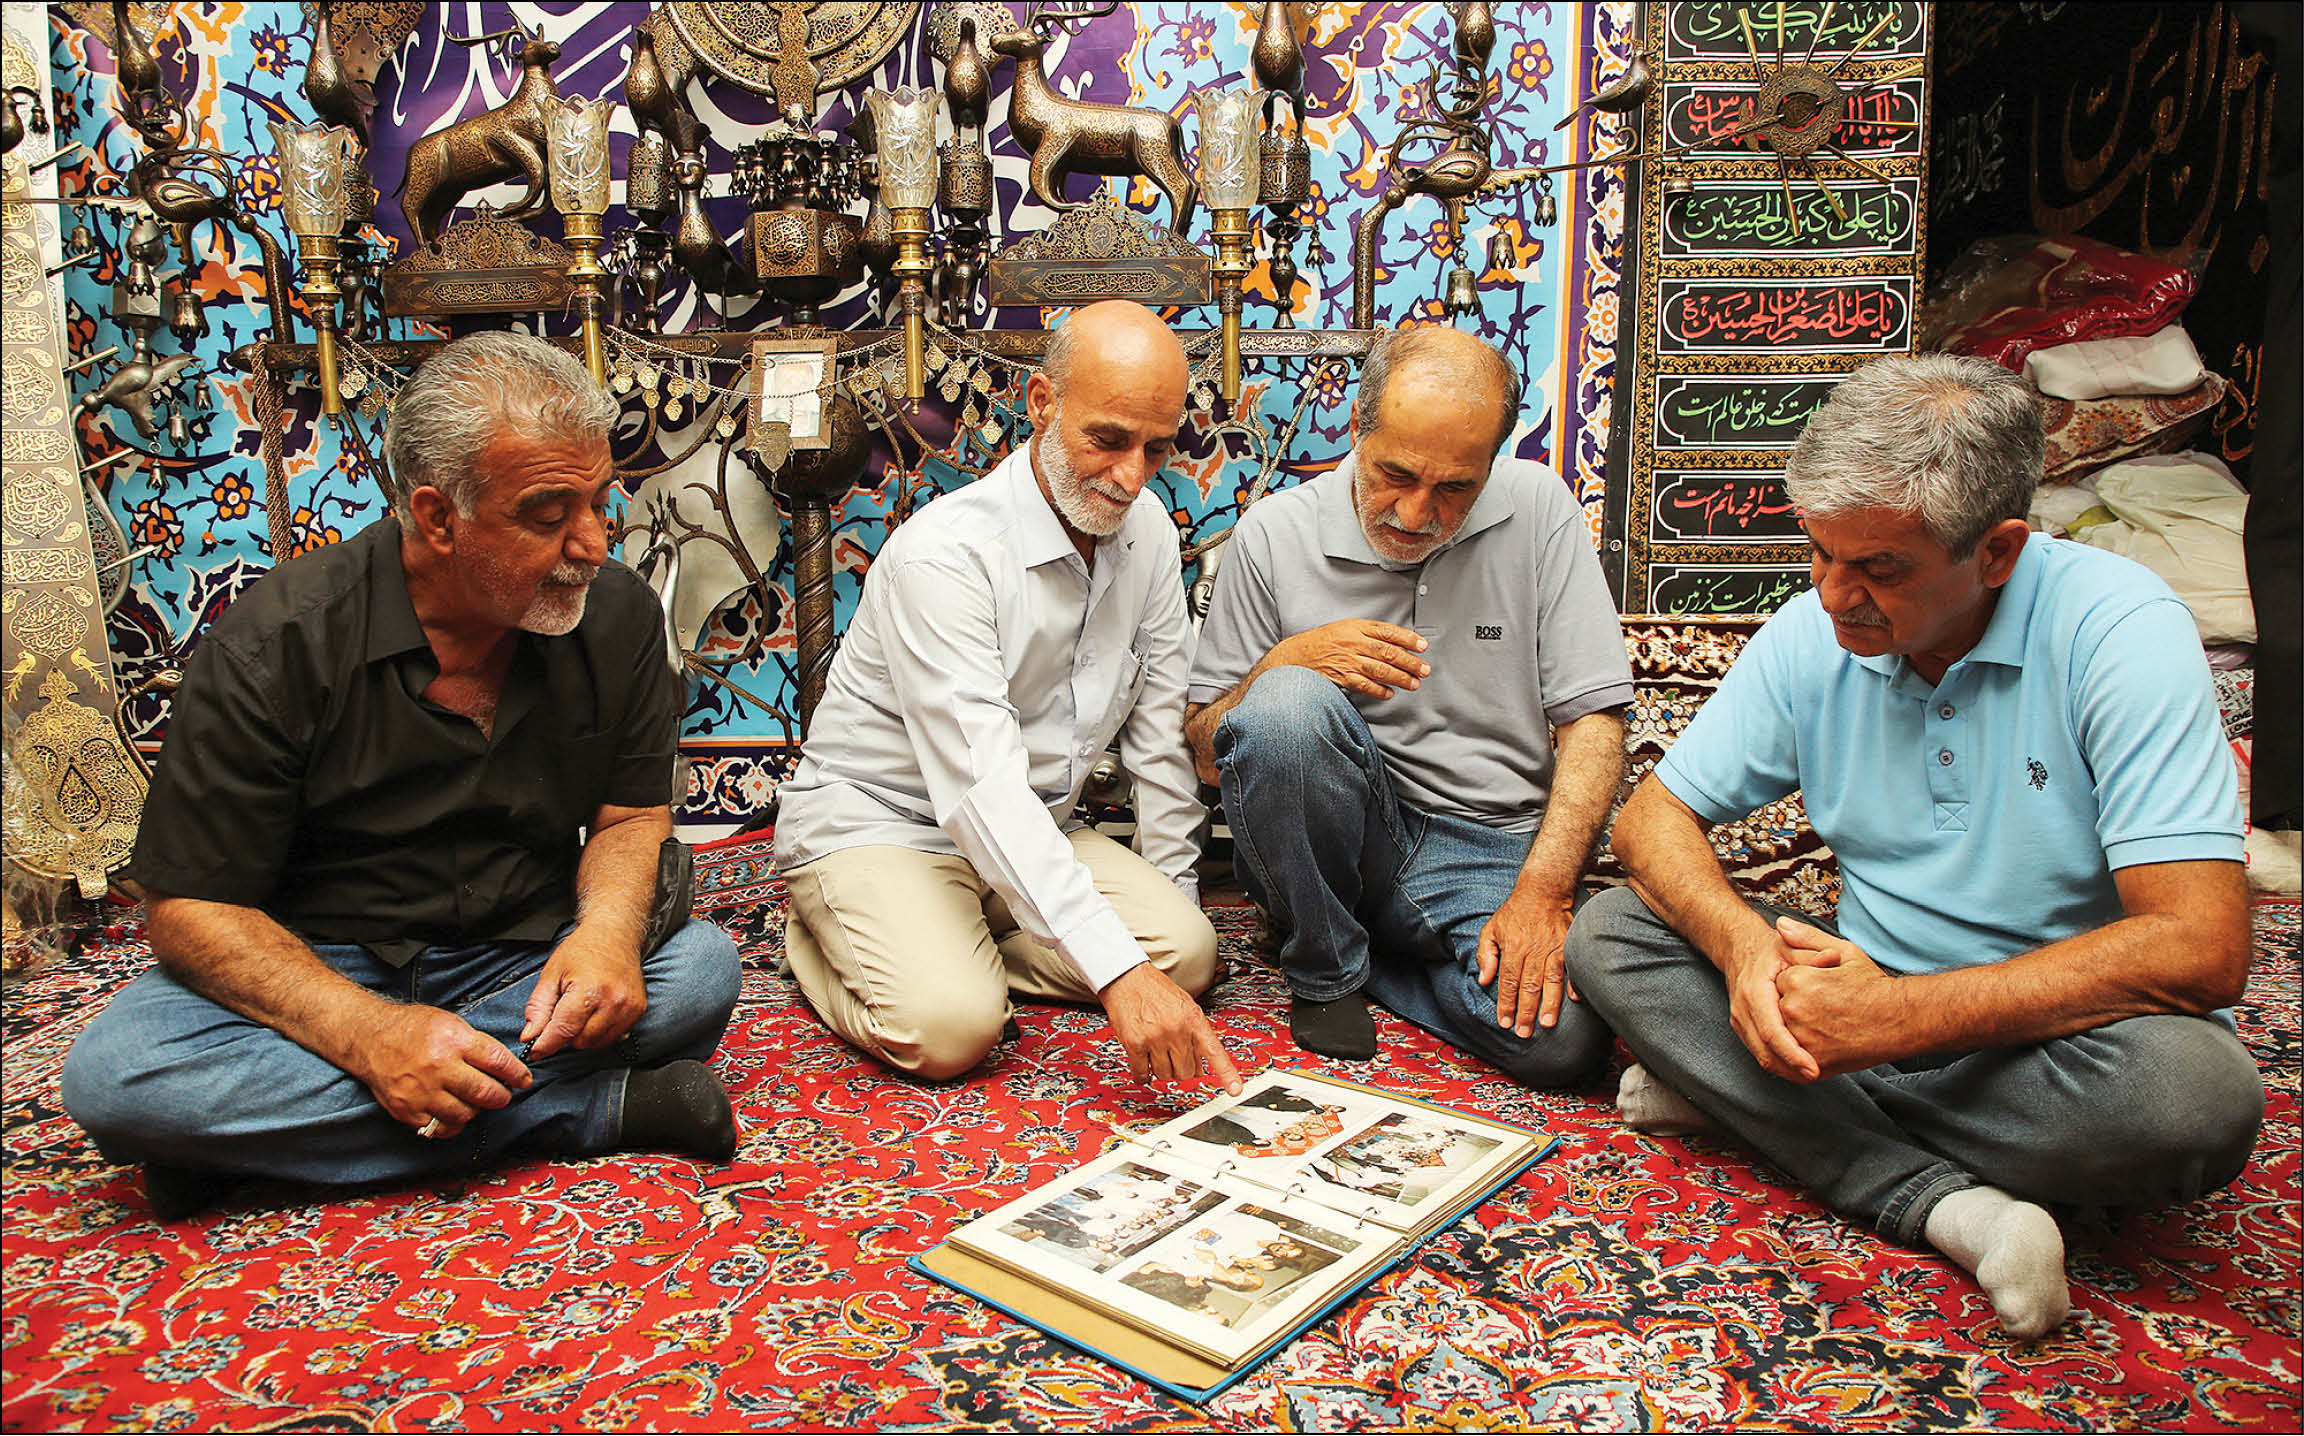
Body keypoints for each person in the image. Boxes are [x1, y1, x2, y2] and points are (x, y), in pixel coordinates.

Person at [1565, 353, 2262, 1340]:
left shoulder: (2120, 632)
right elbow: (1651, 821)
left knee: (2196, 1103)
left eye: (1880, 568)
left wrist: (1895, 1021)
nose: (1834, 594)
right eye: (1820, 553)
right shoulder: (1813, 633)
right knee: (1613, 930)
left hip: (2051, 1041)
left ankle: (1756, 1102)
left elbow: (2200, 947)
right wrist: (1746, 952)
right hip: (1857, 1000)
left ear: (1998, 551)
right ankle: (1956, 1209)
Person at [61, 333, 744, 1219]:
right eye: (548, 516)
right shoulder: (278, 644)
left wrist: (607, 937)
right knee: (117, 1076)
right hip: (320, 965)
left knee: (700, 971)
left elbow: (629, 818)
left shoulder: (615, 615)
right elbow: (189, 910)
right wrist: (368, 1035)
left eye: (599, 502)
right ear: (438, 517)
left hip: (519, 961)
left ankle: (258, 1143)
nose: (591, 543)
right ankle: (585, 1111)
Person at [774, 301, 1239, 1093]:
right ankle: (831, 933)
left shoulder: (1151, 533)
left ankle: (959, 940)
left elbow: (1161, 740)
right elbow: (981, 784)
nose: (1132, 476)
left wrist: (1173, 911)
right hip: (887, 823)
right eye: (1108, 439)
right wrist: (1117, 972)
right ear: (1042, 403)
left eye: (1157, 448)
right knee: (951, 1031)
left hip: (1037, 826)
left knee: (1187, 954)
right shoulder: (945, 557)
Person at [1184, 325, 1632, 1082]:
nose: (1417, 513)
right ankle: (1326, 967)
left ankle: (1375, 964)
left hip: (1490, 849)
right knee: (1285, 702)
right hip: (1338, 849)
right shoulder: (1275, 533)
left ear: (1494, 462)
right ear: (1355, 433)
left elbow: (1593, 721)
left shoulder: (1539, 508)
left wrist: (1544, 892)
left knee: (1563, 1042)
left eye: (1455, 488)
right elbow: (1205, 752)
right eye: (1395, 474)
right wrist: (1285, 662)